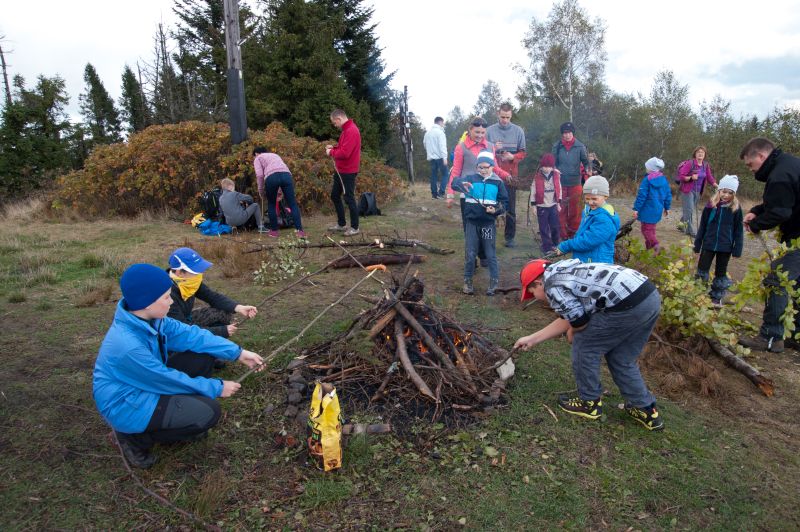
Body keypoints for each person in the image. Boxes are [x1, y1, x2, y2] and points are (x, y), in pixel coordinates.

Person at [93, 264, 265, 468]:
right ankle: (132, 439)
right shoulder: (127, 346)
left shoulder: (153, 318)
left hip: (147, 382)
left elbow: (193, 335)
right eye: (166, 297)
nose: (172, 300)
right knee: (209, 412)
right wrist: (217, 387)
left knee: (202, 355)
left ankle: (176, 419)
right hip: (126, 401)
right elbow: (164, 379)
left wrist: (238, 353)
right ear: (147, 303)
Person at [514, 258, 665, 431]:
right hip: (649, 297)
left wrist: (573, 333)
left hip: (625, 305)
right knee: (621, 358)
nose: (535, 298)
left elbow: (579, 322)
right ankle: (645, 409)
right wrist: (532, 339)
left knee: (585, 347)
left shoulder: (551, 285)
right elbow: (570, 317)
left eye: (532, 293)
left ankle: (589, 403)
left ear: (538, 283)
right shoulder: (566, 273)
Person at [737, 138, 800, 353]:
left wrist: (755, 224)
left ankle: (770, 337)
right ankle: (797, 335)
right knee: (797, 284)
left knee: (777, 280)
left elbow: (781, 212)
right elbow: (781, 201)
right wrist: (757, 209)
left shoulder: (780, 174)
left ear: (761, 157)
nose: (750, 168)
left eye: (749, 164)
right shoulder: (788, 164)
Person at [166, 247, 259, 376]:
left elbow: (212, 297)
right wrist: (221, 331)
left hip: (186, 321)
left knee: (223, 311)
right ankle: (198, 358)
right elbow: (181, 331)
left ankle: (212, 352)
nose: (199, 275)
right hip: (172, 335)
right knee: (192, 345)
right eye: (195, 271)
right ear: (179, 272)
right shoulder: (166, 295)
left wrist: (239, 307)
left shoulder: (189, 282)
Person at [446, 117, 510, 267]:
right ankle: (471, 258)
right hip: (468, 195)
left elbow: (494, 168)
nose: (480, 135)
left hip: (488, 194)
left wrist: (506, 176)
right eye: (477, 132)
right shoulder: (461, 148)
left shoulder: (489, 146)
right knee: (470, 227)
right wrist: (450, 193)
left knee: (487, 224)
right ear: (470, 130)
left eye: (482, 132)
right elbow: (455, 172)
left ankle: (484, 256)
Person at [451, 151, 509, 296]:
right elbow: (454, 183)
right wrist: (460, 183)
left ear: (492, 167)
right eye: (480, 167)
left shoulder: (498, 182)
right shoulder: (471, 179)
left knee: (490, 254)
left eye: (486, 167)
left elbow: (504, 203)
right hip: (472, 223)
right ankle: (468, 281)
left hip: (488, 224)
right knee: (470, 254)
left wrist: (495, 210)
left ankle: (494, 282)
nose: (483, 170)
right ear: (477, 167)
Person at [693, 175, 743, 306]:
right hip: (708, 244)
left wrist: (737, 249)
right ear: (719, 191)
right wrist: (697, 244)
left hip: (725, 247)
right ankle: (697, 293)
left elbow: (739, 230)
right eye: (723, 191)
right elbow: (702, 226)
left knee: (720, 272)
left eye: (730, 193)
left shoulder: (736, 209)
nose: (726, 195)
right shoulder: (711, 206)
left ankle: (716, 297)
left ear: (734, 194)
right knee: (702, 270)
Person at [486, 103, 527, 248]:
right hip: (492, 175)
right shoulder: (489, 131)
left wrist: (512, 157)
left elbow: (523, 153)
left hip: (511, 176)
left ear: (511, 115)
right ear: (498, 114)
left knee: (510, 208)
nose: (505, 120)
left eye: (508, 117)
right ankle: (487, 236)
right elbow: (483, 151)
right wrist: (493, 148)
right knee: (489, 205)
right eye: (502, 117)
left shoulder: (518, 131)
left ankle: (510, 238)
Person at [555, 175, 619, 263]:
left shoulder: (604, 219)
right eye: (587, 198)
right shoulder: (589, 211)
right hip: (586, 260)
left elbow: (588, 241)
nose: (590, 202)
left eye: (594, 199)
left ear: (605, 196)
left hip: (597, 265)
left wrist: (567, 245)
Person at [252, 147, 306, 239]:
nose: (254, 158)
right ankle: (300, 231)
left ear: (256, 153)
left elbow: (260, 175)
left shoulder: (258, 158)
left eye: (253, 156)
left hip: (271, 177)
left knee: (272, 204)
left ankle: (274, 231)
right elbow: (280, 170)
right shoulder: (275, 155)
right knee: (292, 204)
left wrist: (260, 190)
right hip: (287, 175)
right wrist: (280, 190)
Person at [325, 109, 362, 236]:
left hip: (348, 171)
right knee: (335, 195)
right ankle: (341, 224)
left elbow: (345, 153)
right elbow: (343, 148)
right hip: (341, 170)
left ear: (339, 119)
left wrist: (331, 153)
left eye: (334, 123)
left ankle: (355, 227)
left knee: (349, 198)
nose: (335, 125)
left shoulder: (351, 130)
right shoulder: (346, 130)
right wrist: (334, 148)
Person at [553, 122, 590, 239]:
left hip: (575, 183)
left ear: (572, 133)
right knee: (560, 209)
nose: (567, 135)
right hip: (560, 183)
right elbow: (552, 162)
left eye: (569, 133)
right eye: (565, 133)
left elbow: (585, 161)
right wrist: (554, 169)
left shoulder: (580, 146)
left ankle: (574, 234)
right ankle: (561, 235)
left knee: (576, 210)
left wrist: (589, 169)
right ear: (562, 134)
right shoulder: (557, 146)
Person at [676, 146, 717, 238]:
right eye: (698, 152)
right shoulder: (690, 163)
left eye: (702, 152)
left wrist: (716, 185)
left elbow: (709, 177)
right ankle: (690, 231)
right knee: (689, 209)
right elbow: (682, 176)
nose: (700, 154)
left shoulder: (705, 165)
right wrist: (691, 177)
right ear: (695, 154)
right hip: (688, 190)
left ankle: (680, 225)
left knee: (688, 210)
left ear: (705, 155)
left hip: (698, 191)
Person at [633, 157, 672, 251]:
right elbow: (668, 194)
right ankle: (648, 249)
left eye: (647, 167)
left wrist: (636, 208)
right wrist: (667, 207)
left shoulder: (647, 180)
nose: (646, 168)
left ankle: (656, 245)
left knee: (646, 230)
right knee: (651, 229)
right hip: (657, 209)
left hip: (647, 209)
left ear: (650, 168)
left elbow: (642, 195)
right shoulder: (664, 180)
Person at [530, 152, 562, 254]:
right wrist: (534, 205)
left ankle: (556, 244)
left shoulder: (556, 175)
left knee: (555, 226)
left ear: (552, 167)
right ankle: (547, 247)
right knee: (543, 228)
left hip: (553, 205)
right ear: (541, 166)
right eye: (544, 166)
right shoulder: (537, 176)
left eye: (549, 167)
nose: (546, 169)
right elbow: (533, 190)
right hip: (541, 206)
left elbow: (559, 189)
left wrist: (558, 203)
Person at [423, 116, 448, 199]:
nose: (443, 124)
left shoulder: (427, 133)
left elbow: (425, 144)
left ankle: (434, 195)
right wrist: (445, 158)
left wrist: (430, 153)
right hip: (440, 157)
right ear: (440, 122)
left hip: (432, 158)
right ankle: (441, 193)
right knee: (445, 174)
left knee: (434, 176)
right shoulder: (440, 132)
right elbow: (442, 146)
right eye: (443, 123)